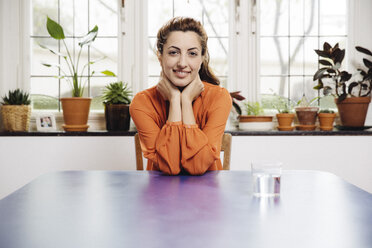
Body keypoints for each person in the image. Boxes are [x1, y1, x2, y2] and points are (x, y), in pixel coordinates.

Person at [130, 17, 231, 175]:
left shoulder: (219, 97)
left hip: (206, 196)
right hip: (160, 195)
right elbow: (171, 166)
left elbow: (197, 165)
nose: (182, 63)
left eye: (192, 53)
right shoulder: (142, 103)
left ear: (202, 58)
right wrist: (175, 99)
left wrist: (185, 101)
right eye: (173, 52)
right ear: (160, 56)